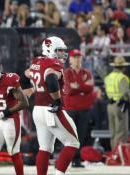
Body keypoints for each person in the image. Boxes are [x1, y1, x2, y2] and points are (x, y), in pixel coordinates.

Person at [28, 36, 79, 175]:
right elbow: (51, 79)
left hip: (37, 109)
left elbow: (27, 74)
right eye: (59, 51)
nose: (62, 54)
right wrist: (57, 101)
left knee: (44, 148)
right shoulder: (53, 64)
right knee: (73, 143)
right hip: (50, 109)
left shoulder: (36, 61)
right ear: (51, 50)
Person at [63, 49, 95, 167]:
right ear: (70, 59)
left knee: (81, 135)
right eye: (74, 57)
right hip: (71, 108)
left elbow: (90, 88)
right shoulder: (66, 73)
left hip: (84, 109)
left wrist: (77, 86)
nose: (77, 59)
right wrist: (83, 86)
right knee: (70, 135)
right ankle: (66, 160)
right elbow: (69, 90)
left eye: (78, 57)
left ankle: (76, 160)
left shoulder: (87, 72)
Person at [104, 56, 130, 149]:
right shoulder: (122, 78)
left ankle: (114, 154)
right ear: (123, 67)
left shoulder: (108, 77)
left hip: (110, 105)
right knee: (121, 131)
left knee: (113, 132)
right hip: (120, 106)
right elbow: (126, 93)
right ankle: (119, 155)